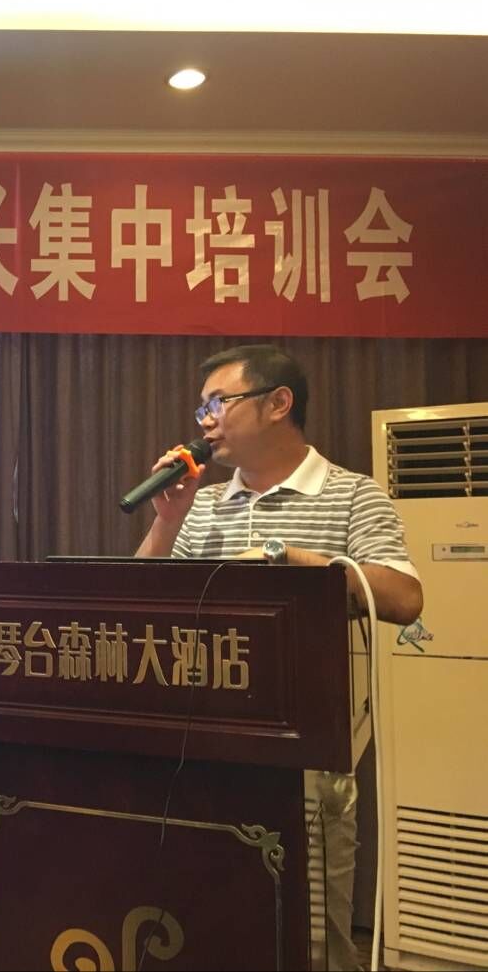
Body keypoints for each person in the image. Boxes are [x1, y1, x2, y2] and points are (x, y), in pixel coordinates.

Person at [135, 344, 423, 972]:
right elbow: (141, 602)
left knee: (309, 932)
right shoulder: (201, 504)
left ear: (278, 403)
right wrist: (167, 520)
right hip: (204, 746)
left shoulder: (353, 494)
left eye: (219, 402)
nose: (205, 420)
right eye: (202, 408)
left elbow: (405, 598)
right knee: (207, 918)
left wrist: (293, 560)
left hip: (306, 757)